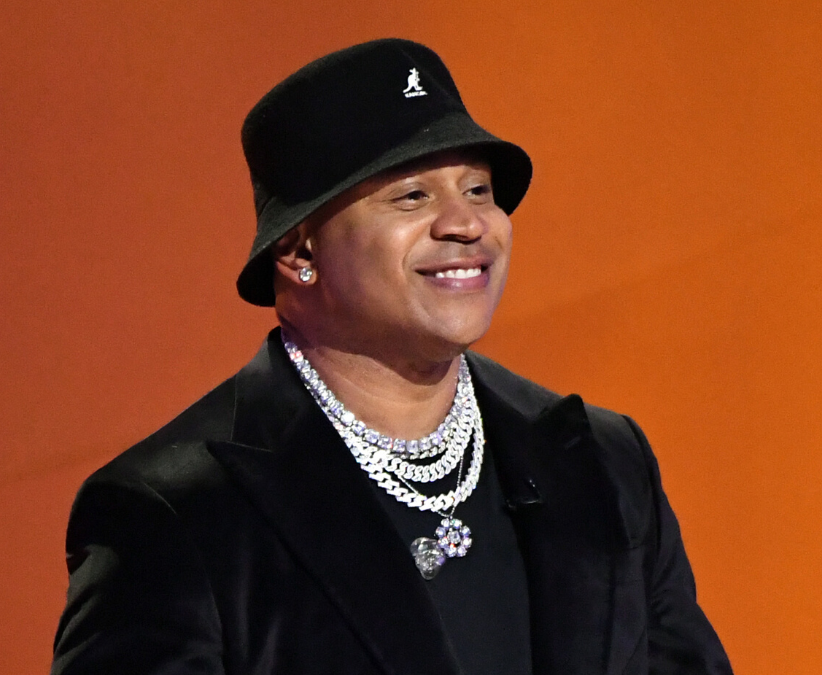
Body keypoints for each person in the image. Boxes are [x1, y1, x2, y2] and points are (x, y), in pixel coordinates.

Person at [51, 38, 733, 675]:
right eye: (412, 196)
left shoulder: (603, 462)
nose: (466, 223)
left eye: (478, 190)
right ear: (299, 250)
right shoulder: (176, 514)